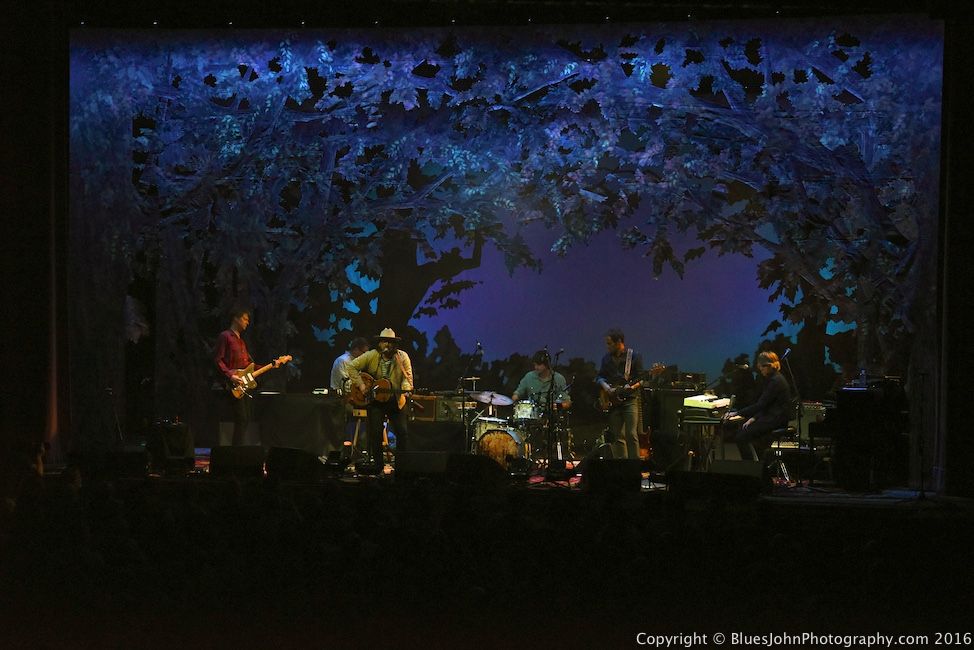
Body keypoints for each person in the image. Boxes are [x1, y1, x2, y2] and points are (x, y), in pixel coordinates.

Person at [346, 328, 414, 467]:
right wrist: (361, 385)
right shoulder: (371, 355)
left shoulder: (402, 357)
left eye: (389, 342)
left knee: (402, 432)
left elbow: (408, 376)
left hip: (395, 400)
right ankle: (378, 465)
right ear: (379, 343)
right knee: (375, 432)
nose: (386, 345)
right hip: (376, 400)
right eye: (383, 342)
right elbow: (352, 367)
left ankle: (403, 465)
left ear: (394, 344)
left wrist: (406, 390)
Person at [214, 308, 283, 446]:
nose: (247, 322)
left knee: (246, 418)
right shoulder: (225, 336)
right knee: (242, 417)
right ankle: (236, 450)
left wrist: (271, 365)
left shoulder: (242, 342)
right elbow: (218, 359)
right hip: (232, 384)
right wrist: (230, 376)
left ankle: (237, 448)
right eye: (245, 319)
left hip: (243, 385)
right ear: (236, 318)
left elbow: (249, 366)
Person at [726, 351, 795, 461]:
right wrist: (754, 418)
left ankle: (751, 468)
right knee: (745, 434)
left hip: (775, 420)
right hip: (773, 417)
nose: (761, 369)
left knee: (741, 437)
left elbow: (761, 405)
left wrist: (736, 413)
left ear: (771, 365)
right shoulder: (774, 379)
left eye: (763, 366)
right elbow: (766, 405)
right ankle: (756, 465)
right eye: (760, 366)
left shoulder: (776, 381)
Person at [595, 328, 645, 460]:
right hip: (613, 401)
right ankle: (622, 464)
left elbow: (641, 378)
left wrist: (631, 386)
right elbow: (600, 377)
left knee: (631, 434)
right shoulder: (606, 358)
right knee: (617, 435)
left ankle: (634, 465)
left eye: (609, 343)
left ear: (618, 342)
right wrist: (606, 387)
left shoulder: (634, 356)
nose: (607, 346)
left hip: (629, 400)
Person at [330, 337, 370, 455]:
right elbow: (347, 385)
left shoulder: (356, 363)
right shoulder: (343, 361)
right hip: (341, 400)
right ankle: (357, 448)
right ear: (356, 350)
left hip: (352, 399)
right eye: (364, 353)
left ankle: (363, 449)